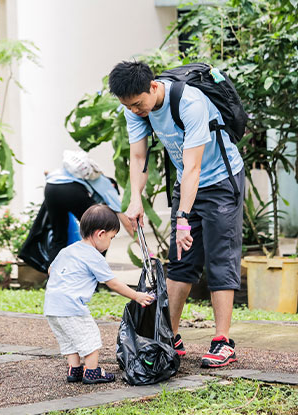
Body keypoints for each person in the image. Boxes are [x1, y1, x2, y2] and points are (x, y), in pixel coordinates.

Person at [109, 61, 244, 368]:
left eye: (138, 104)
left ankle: (222, 341)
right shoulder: (133, 109)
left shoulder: (190, 102)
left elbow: (195, 166)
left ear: (153, 87)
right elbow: (139, 156)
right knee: (181, 260)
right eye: (127, 106)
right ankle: (169, 335)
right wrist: (135, 200)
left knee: (220, 257)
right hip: (186, 183)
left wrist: (183, 218)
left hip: (221, 179)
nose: (135, 110)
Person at [44, 204, 154, 384]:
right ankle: (92, 372)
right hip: (72, 306)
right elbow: (113, 283)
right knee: (90, 337)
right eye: (111, 237)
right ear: (100, 234)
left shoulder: (68, 250)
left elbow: (50, 270)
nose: (110, 242)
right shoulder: (94, 256)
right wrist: (137, 295)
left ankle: (75, 370)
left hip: (51, 306)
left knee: (71, 339)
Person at [44, 152, 132, 263]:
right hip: (71, 190)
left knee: (59, 238)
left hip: (51, 188)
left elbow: (46, 172)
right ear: (114, 185)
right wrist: (147, 250)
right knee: (101, 233)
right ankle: (93, 273)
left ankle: (53, 278)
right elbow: (126, 222)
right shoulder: (108, 187)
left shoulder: (81, 174)